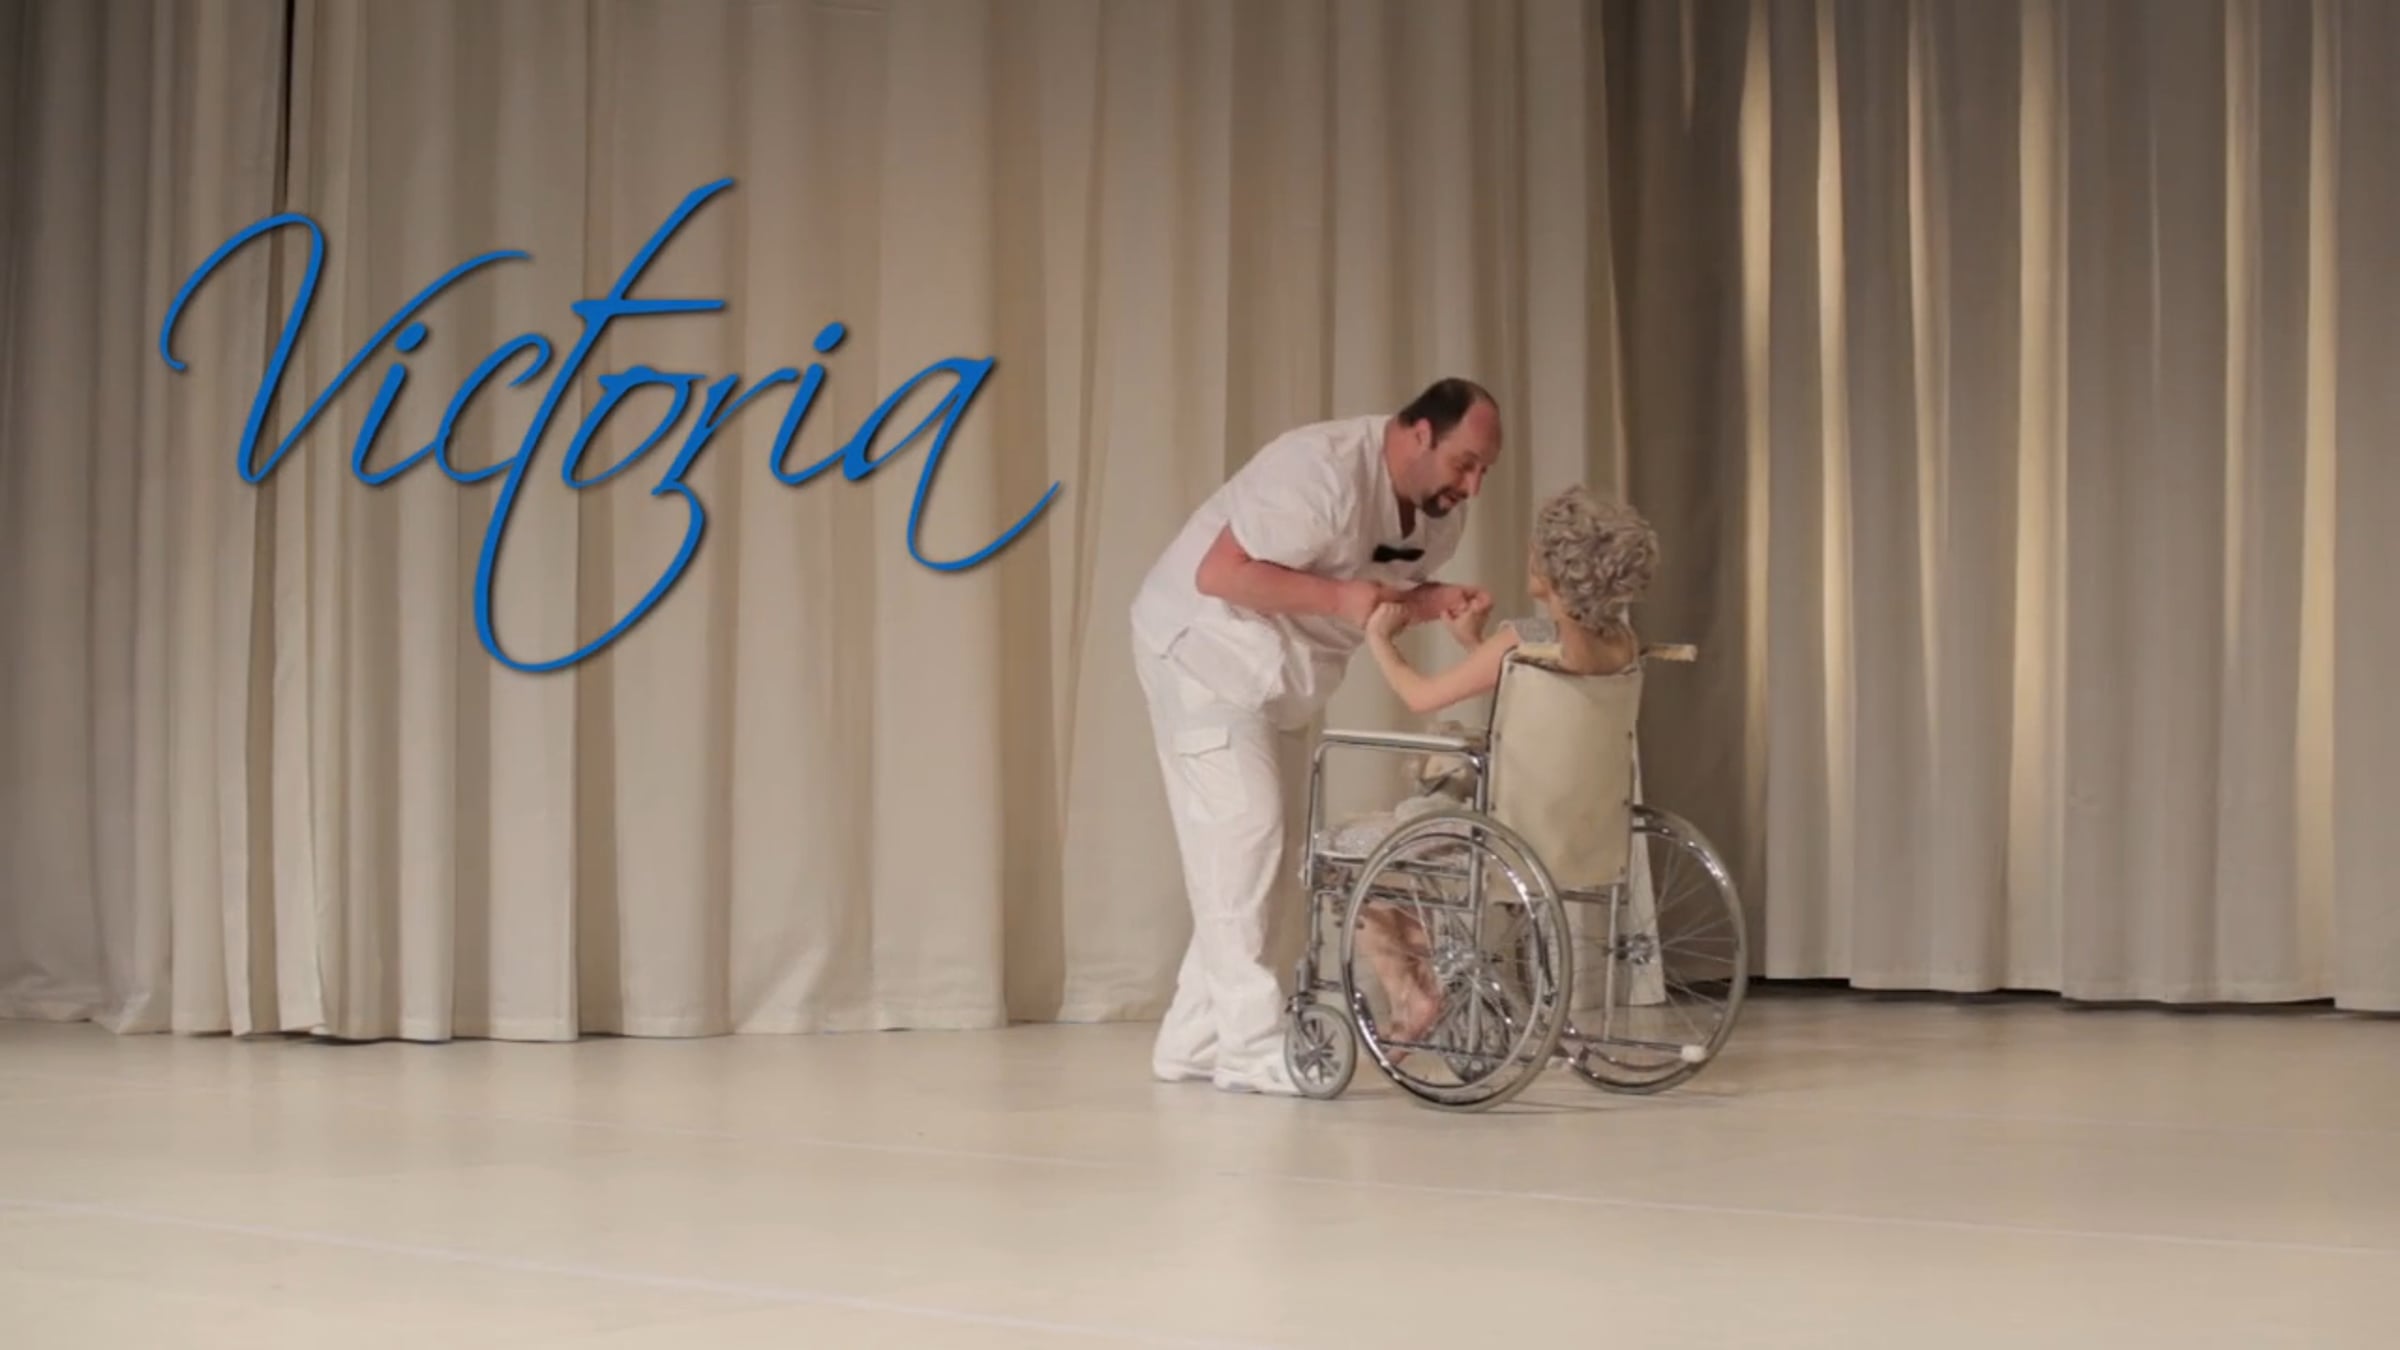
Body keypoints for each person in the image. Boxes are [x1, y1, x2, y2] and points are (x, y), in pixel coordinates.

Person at [1128, 378, 1502, 1094]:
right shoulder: (1319, 470)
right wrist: (1339, 599)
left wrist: (1434, 601)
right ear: (1420, 433)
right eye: (1465, 463)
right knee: (1247, 837)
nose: (1473, 486)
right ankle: (1250, 1048)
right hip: (1203, 650)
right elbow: (1220, 573)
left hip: (1283, 678)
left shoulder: (1439, 517)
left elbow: (1375, 593)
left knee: (1273, 861)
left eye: (1484, 470)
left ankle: (1192, 1038)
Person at [1335, 485, 1660, 1044]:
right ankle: (1428, 969)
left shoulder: (1519, 639)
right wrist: (1473, 643)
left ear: (1552, 567)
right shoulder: (1621, 645)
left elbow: (1420, 696)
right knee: (1408, 852)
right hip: (1582, 833)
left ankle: (1411, 990)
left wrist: (1380, 638)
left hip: (1504, 836)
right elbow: (1537, 689)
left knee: (1346, 858)